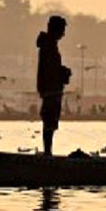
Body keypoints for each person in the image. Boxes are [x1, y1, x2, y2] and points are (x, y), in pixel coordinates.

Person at [36, 15, 71, 156]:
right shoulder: (48, 46)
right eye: (62, 29)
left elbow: (51, 68)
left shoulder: (49, 45)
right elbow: (50, 70)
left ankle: (48, 152)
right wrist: (63, 72)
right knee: (49, 123)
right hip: (51, 90)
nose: (63, 33)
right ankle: (47, 153)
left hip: (51, 90)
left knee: (50, 123)